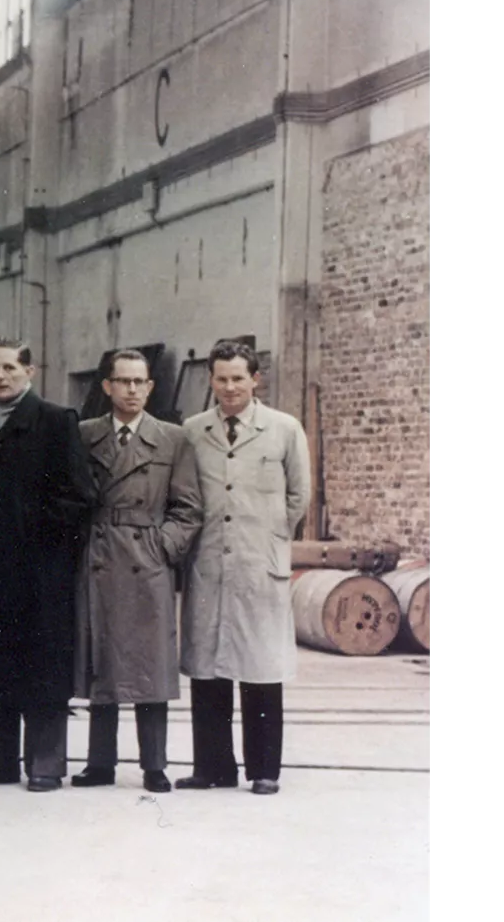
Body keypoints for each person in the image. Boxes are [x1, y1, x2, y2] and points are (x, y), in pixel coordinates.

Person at [0, 340, 97, 792]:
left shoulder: (55, 421)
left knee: (43, 670)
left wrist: (35, 537)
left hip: (39, 576)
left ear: (29, 371)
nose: (0, 376)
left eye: (10, 367)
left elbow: (80, 497)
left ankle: (45, 764)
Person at [176, 340, 312, 796]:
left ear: (256, 379)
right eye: (221, 378)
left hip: (259, 562)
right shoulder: (193, 430)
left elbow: (299, 496)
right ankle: (212, 767)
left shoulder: (284, 429)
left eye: (238, 378)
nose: (229, 387)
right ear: (210, 380)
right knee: (208, 668)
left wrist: (269, 535)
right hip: (209, 561)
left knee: (260, 670)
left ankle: (264, 770)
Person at [71, 349, 203, 794]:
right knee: (102, 663)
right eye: (122, 381)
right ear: (106, 386)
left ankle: (154, 765)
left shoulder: (173, 439)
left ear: (150, 387)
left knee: (150, 667)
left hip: (146, 564)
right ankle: (99, 764)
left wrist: (162, 547)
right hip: (100, 557)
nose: (131, 390)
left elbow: (188, 509)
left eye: (139, 382)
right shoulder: (85, 434)